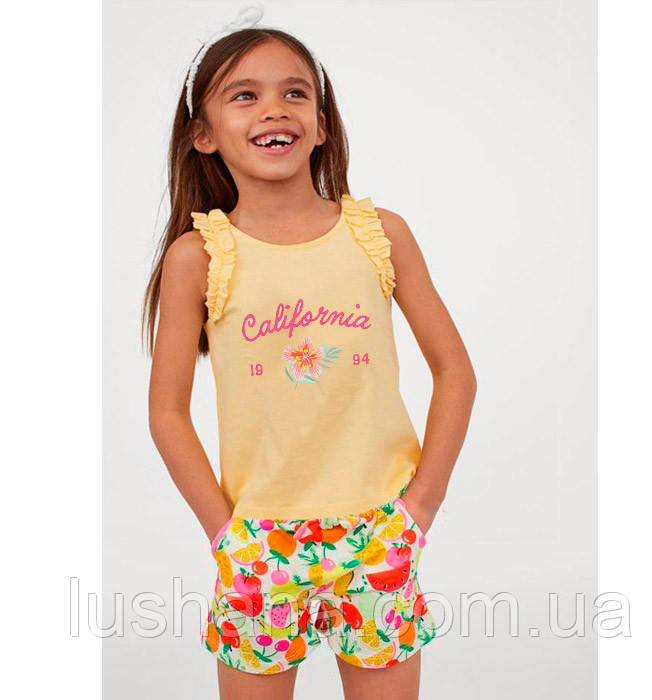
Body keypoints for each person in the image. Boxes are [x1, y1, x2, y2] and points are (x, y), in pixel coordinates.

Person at [143, 4, 477, 698]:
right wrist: (224, 535)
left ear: (322, 124)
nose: (275, 108)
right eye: (245, 95)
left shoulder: (378, 234)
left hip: (379, 536)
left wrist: (420, 508)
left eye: (295, 92)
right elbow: (167, 413)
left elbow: (455, 372)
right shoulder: (199, 256)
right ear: (204, 134)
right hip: (259, 546)